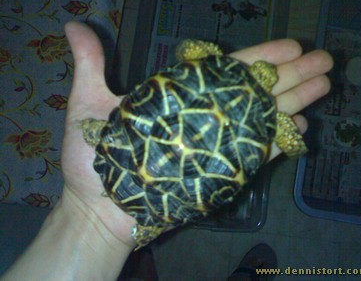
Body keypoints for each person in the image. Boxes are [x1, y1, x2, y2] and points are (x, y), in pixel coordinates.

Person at [1, 21, 333, 280]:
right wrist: (292, 140)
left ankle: (113, 155)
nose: (267, 71)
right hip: (161, 189)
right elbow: (190, 52)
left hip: (149, 166)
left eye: (264, 71)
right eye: (267, 71)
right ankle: (123, 177)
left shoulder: (216, 72)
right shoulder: (268, 122)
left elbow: (188, 52)